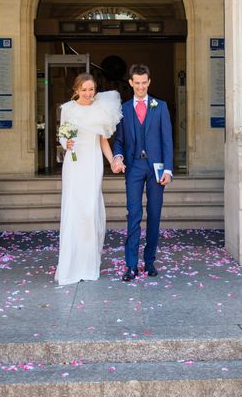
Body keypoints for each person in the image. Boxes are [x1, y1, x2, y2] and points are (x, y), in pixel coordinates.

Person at [54, 73, 122, 286]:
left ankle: (88, 266)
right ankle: (70, 266)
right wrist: (67, 144)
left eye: (91, 89)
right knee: (74, 211)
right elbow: (63, 136)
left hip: (92, 163)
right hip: (74, 165)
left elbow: (103, 142)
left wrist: (113, 161)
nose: (88, 93)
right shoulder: (68, 109)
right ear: (76, 90)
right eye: (84, 89)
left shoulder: (100, 109)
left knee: (91, 211)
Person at [112, 64, 174, 282]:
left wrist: (168, 169)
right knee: (134, 215)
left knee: (155, 214)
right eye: (136, 83)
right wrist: (117, 157)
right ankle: (131, 266)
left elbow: (167, 140)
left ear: (149, 82)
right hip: (134, 167)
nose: (140, 87)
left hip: (156, 168)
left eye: (144, 83)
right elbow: (119, 141)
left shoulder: (161, 106)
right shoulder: (124, 109)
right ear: (131, 83)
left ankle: (149, 261)